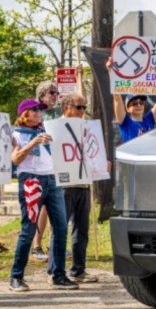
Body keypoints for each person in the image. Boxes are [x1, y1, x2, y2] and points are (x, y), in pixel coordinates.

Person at [9, 99, 78, 292]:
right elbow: (15, 159)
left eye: (40, 109)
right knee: (28, 230)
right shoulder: (16, 134)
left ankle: (58, 275)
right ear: (24, 114)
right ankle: (16, 277)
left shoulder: (46, 129)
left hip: (52, 179)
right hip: (31, 180)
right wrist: (32, 142)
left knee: (61, 228)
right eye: (34, 109)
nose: (39, 111)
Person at [45, 92, 110, 283]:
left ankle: (78, 269)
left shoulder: (88, 127)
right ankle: (54, 269)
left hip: (83, 183)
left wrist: (100, 164)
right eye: (79, 107)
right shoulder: (55, 127)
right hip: (64, 184)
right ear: (66, 107)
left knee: (81, 228)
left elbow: (92, 151)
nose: (83, 111)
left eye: (84, 107)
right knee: (60, 227)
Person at [107, 59, 156, 143]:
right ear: (127, 109)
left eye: (141, 102)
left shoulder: (149, 120)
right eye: (134, 103)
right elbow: (117, 99)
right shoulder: (125, 122)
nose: (139, 105)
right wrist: (110, 71)